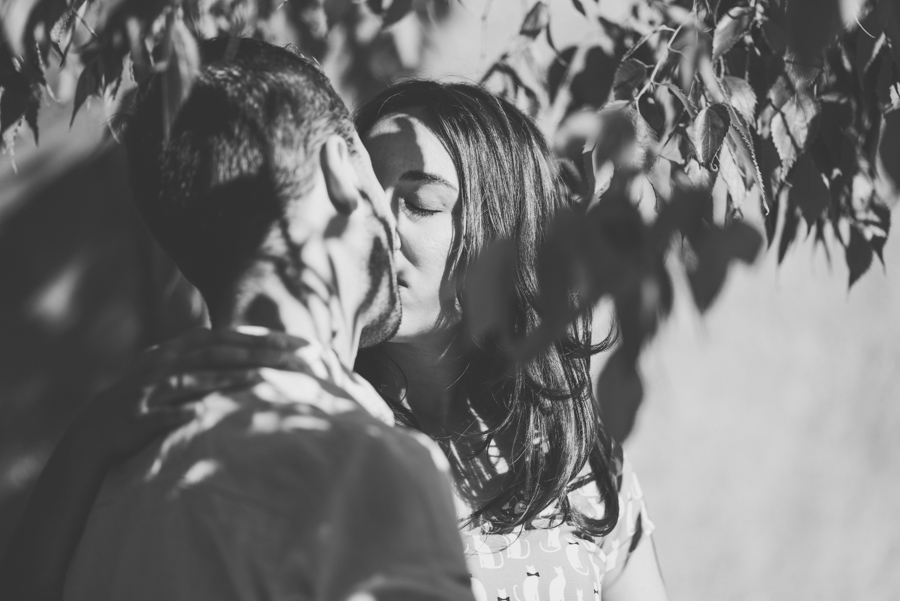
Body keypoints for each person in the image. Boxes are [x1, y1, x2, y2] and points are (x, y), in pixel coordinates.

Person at [1, 76, 667, 600]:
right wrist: (86, 441)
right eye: (369, 191)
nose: (380, 221)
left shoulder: (580, 464)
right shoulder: (313, 421)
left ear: (505, 235)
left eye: (421, 202)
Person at [0, 38, 474, 601]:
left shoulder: (108, 473)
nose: (394, 228)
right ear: (341, 172)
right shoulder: (370, 469)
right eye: (378, 179)